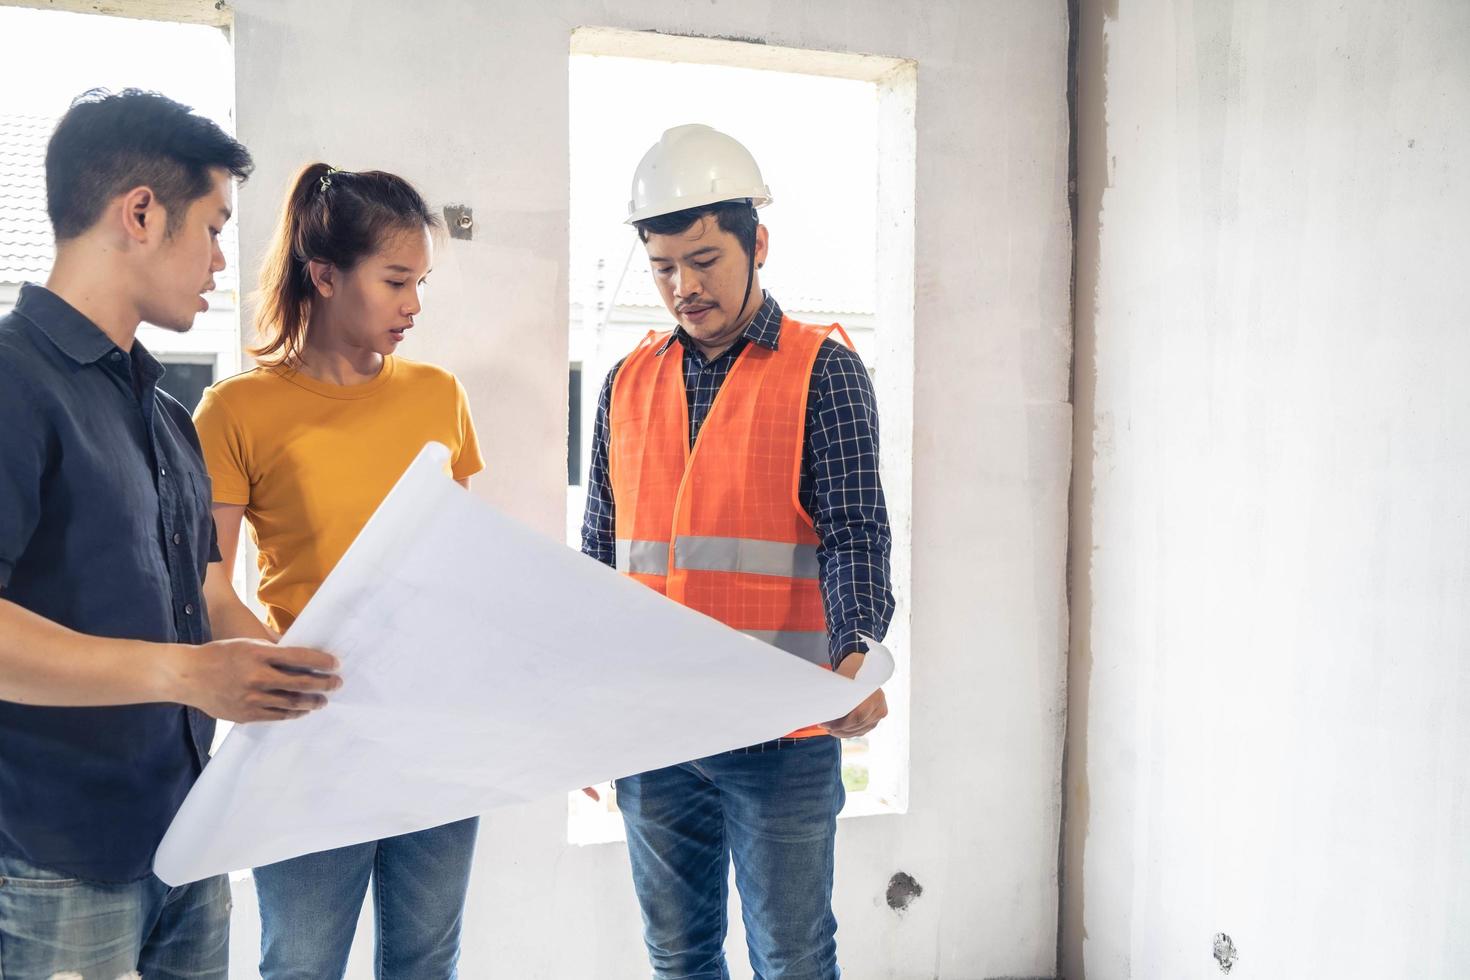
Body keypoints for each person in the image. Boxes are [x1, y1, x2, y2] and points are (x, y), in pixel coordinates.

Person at [0, 88, 340, 980]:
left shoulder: (163, 413)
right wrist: (189, 675)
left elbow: (202, 595)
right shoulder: (11, 384)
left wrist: (299, 678)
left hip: (187, 838)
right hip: (52, 862)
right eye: (215, 227)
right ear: (141, 213)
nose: (222, 260)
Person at [581, 123, 895, 979]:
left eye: (704, 259)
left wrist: (856, 651)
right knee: (679, 956)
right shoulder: (625, 383)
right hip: (657, 732)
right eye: (663, 266)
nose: (683, 287)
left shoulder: (821, 372)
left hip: (781, 739)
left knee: (791, 958)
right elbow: (601, 553)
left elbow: (856, 531)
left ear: (757, 243)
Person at [193, 162, 484, 980]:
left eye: (419, 282)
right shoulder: (237, 410)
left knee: (426, 961)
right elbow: (208, 588)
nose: (413, 306)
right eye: (396, 281)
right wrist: (296, 690)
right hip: (308, 735)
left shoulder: (439, 396)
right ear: (324, 275)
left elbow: (462, 563)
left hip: (433, 729)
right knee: (303, 964)